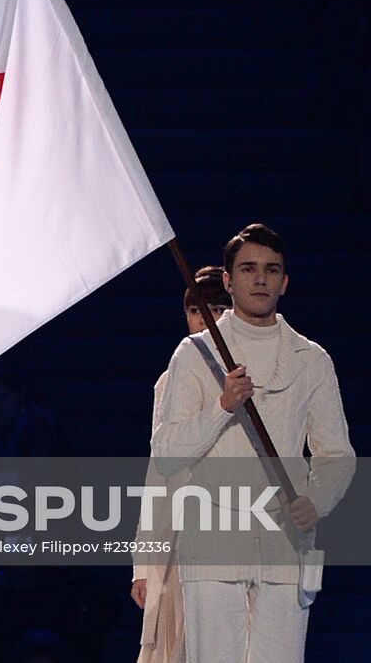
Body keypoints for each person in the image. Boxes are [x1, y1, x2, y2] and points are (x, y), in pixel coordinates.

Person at [150, 226, 355, 663]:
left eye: (270, 270)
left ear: (284, 282)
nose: (260, 279)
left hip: (285, 542)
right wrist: (223, 406)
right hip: (213, 543)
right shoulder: (195, 354)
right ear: (228, 280)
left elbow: (336, 456)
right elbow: (166, 454)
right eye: (248, 269)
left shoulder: (310, 359)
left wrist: (315, 500)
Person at [131, 265, 231, 663]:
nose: (206, 320)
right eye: (196, 311)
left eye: (219, 308)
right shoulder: (169, 381)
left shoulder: (262, 377)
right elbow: (159, 472)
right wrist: (143, 561)